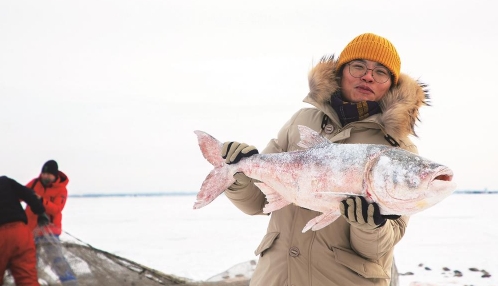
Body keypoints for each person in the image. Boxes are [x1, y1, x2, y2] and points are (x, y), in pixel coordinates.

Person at [221, 33, 429, 286]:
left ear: (391, 85)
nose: (368, 76)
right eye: (358, 66)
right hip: (276, 278)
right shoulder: (301, 121)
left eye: (381, 72)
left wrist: (370, 226)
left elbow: (379, 249)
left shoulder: (397, 150)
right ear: (341, 73)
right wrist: (238, 177)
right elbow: (257, 203)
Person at [25, 160, 78, 285]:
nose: (45, 176)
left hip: (50, 231)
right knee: (29, 261)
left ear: (55, 175)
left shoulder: (61, 190)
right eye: (43, 173)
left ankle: (70, 282)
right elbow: (21, 194)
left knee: (56, 259)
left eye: (48, 174)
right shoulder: (34, 183)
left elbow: (56, 209)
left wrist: (41, 200)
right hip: (30, 230)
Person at [0, 175, 50, 286]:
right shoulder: (5, 181)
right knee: (28, 279)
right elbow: (29, 194)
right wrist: (40, 212)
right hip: (21, 234)